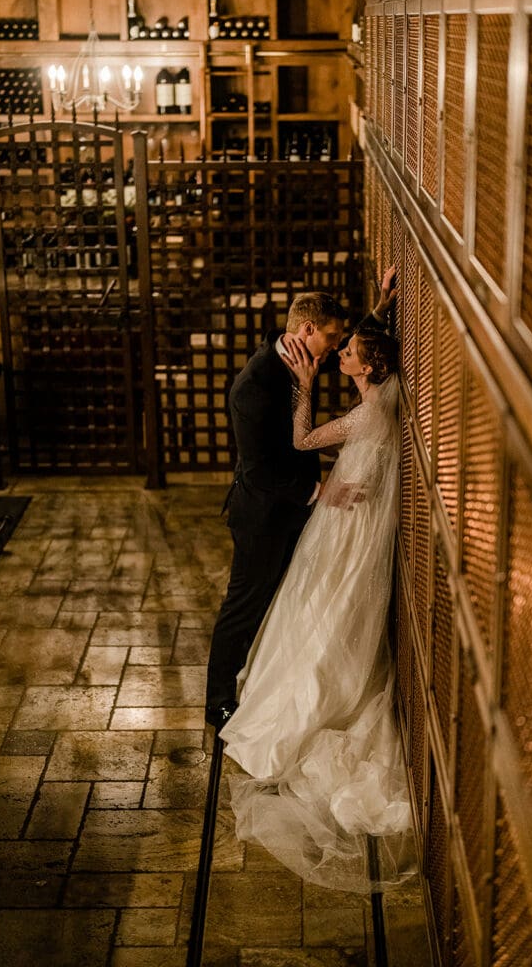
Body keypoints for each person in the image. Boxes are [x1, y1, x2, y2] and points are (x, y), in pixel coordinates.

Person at [219, 329, 417, 893]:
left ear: (368, 368)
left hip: (343, 521)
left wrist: (304, 386)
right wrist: (382, 306)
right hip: (359, 520)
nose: (338, 357)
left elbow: (303, 440)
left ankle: (305, 700)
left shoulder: (364, 416)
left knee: (317, 607)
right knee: (329, 609)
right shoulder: (391, 396)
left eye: (348, 354)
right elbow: (378, 343)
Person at [205, 270, 398, 731]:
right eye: (331, 338)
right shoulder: (253, 387)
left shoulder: (306, 353)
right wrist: (319, 491)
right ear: (307, 330)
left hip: (303, 513)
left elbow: (362, 356)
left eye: (337, 342)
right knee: (245, 605)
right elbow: (259, 469)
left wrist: (383, 305)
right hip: (264, 516)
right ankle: (218, 703)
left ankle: (283, 688)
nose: (335, 349)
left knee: (293, 599)